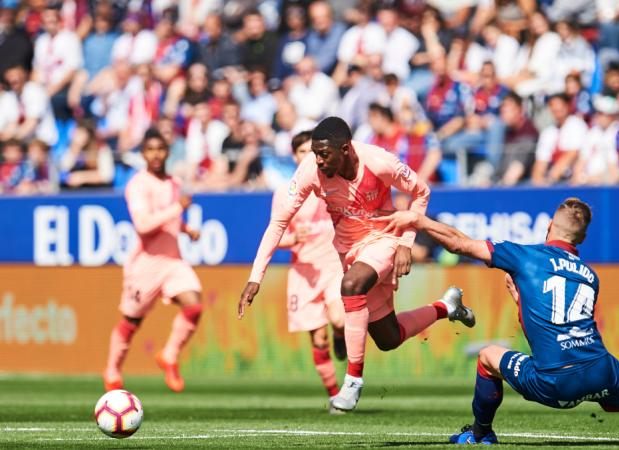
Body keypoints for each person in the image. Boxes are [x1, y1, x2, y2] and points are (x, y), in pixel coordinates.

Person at [376, 198, 619, 446]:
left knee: (487, 357)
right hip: (602, 371)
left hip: (556, 379)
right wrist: (521, 300)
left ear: (548, 227)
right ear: (580, 240)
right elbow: (564, 324)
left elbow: (460, 243)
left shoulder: (526, 255)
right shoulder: (589, 274)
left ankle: (480, 434)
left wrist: (419, 222)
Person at [239, 117, 475, 413]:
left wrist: (406, 243)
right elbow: (278, 223)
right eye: (315, 153)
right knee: (389, 338)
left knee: (350, 285)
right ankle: (446, 307)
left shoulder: (379, 161)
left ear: (346, 149)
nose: (318, 160)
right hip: (348, 250)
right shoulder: (311, 170)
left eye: (324, 154)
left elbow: (421, 192)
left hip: (383, 238)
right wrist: (255, 277)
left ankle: (352, 382)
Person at [103, 129, 204, 394]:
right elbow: (144, 225)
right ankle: (112, 370)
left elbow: (169, 218)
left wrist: (185, 229)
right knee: (131, 321)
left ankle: (169, 355)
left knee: (194, 306)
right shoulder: (138, 185)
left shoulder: (173, 182)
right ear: (143, 154)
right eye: (150, 150)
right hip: (146, 264)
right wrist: (178, 208)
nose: (156, 154)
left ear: (168, 152)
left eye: (160, 149)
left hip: (172, 261)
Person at [275, 130, 347, 405]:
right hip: (304, 273)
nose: (308, 157)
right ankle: (335, 396)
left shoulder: (334, 183)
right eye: (302, 152)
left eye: (312, 152)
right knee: (318, 340)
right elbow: (275, 234)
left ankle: (340, 335)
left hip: (332, 266)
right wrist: (293, 238)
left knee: (339, 320)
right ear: (294, 156)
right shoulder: (285, 192)